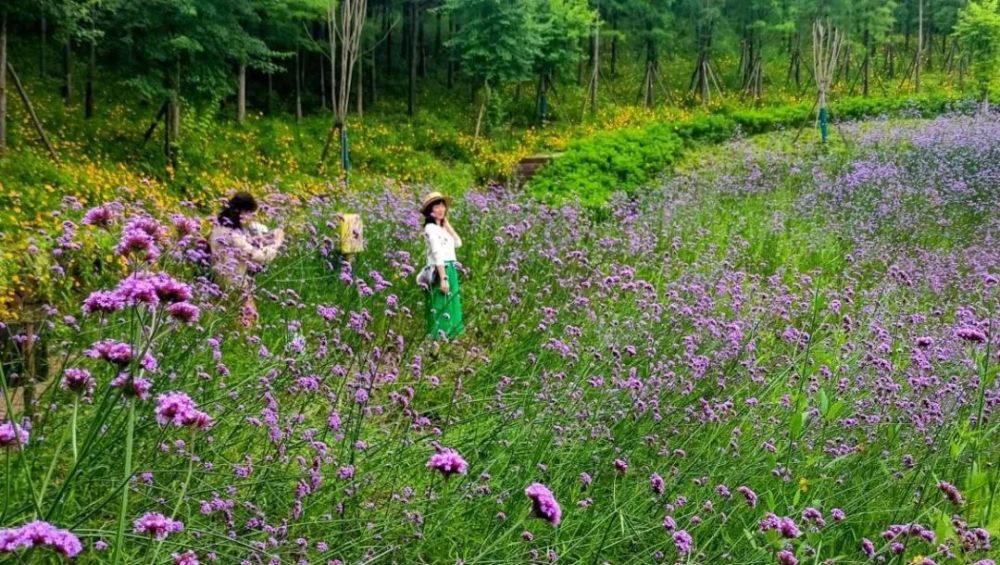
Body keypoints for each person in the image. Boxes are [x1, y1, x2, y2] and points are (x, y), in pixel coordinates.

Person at [210, 192, 284, 327]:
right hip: (235, 282)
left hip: (218, 279)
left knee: (226, 320)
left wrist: (252, 240)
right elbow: (256, 257)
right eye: (250, 213)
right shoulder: (233, 235)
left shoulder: (219, 227)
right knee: (249, 319)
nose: (250, 218)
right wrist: (276, 244)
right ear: (242, 212)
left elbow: (233, 247)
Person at [421, 191, 464, 341]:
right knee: (439, 303)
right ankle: (436, 340)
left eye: (442, 206)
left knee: (450, 303)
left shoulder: (442, 228)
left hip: (450, 267)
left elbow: (458, 243)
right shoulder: (430, 229)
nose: (440, 209)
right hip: (439, 269)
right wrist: (443, 277)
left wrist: (447, 225)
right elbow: (437, 253)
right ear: (429, 211)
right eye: (436, 207)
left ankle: (447, 337)